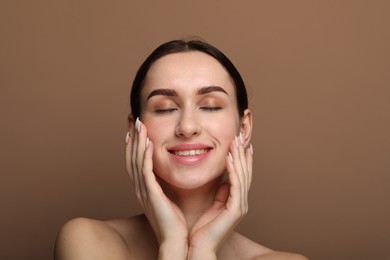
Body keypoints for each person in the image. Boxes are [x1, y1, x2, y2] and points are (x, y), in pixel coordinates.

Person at [54, 39, 307, 260]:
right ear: (134, 129)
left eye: (210, 106)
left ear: (244, 127)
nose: (187, 127)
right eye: (164, 108)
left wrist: (204, 249)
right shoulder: (87, 241)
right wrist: (172, 243)